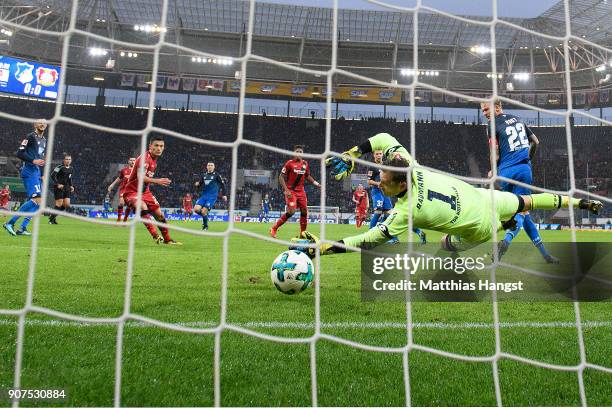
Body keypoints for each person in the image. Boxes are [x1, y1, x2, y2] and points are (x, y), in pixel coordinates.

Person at [296, 133, 602, 255]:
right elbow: (385, 139)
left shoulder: (405, 213)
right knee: (528, 201)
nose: (379, 182)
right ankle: (579, 201)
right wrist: (579, 201)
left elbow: (367, 240)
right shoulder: (411, 167)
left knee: (447, 245)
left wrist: (324, 247)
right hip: (487, 198)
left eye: (384, 181)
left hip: (479, 229)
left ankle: (503, 225)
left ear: (401, 186)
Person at [482, 100, 558, 263]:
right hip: (523, 171)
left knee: (523, 213)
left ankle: (545, 255)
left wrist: (493, 171)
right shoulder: (518, 119)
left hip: (504, 173)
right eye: (482, 111)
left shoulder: (492, 124)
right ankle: (506, 241)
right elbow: (536, 142)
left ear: (497, 107)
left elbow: (494, 153)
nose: (484, 113)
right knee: (522, 211)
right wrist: (528, 159)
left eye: (486, 109)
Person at [123, 137, 181, 245]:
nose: (159, 148)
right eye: (156, 145)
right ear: (150, 146)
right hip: (132, 192)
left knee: (160, 215)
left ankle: (167, 240)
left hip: (145, 192)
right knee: (142, 206)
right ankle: (155, 236)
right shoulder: (145, 158)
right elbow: (140, 177)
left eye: (161, 146)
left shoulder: (154, 161)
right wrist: (157, 181)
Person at [368, 150, 426, 244]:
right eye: (377, 154)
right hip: (377, 192)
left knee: (392, 216)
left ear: (382, 154)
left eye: (380, 153)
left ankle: (396, 238)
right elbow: (369, 181)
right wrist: (378, 183)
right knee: (378, 211)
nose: (379, 155)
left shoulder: (387, 165)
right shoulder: (372, 167)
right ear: (374, 155)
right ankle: (372, 236)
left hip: (386, 193)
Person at [4, 119, 47, 236]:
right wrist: (33, 160)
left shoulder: (44, 140)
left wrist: (42, 174)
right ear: (35, 125)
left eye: (44, 123)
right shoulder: (30, 136)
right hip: (29, 170)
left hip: (37, 171)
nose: (42, 124)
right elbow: (19, 153)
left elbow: (40, 159)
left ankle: (22, 228)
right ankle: (10, 223)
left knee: (40, 203)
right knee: (36, 199)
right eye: (40, 122)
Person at [269, 145, 321, 238]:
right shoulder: (289, 163)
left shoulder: (305, 164)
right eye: (297, 151)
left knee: (304, 211)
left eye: (300, 152)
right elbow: (281, 177)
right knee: (291, 212)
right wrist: (286, 190)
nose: (299, 153)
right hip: (291, 191)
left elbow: (307, 176)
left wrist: (316, 184)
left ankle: (302, 234)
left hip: (301, 192)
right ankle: (274, 228)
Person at [193, 162, 227, 231]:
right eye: (208, 165)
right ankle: (205, 216)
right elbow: (199, 185)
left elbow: (223, 185)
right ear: (206, 167)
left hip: (212, 197)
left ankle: (205, 226)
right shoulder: (203, 175)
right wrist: (197, 185)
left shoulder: (217, 175)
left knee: (203, 211)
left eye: (211, 165)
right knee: (196, 210)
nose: (210, 166)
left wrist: (224, 194)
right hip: (204, 196)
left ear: (214, 167)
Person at [107, 157, 135, 222]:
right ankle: (119, 219)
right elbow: (119, 178)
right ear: (128, 161)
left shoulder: (137, 171)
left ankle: (125, 218)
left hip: (132, 190)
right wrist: (112, 185)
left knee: (130, 205)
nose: (132, 161)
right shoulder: (124, 170)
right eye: (131, 160)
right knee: (121, 203)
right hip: (124, 189)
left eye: (134, 160)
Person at [48, 154, 74, 224]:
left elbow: (69, 178)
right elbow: (52, 175)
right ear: (64, 160)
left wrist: (71, 186)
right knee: (59, 204)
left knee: (67, 205)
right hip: (59, 187)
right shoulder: (59, 167)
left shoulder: (71, 168)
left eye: (69, 159)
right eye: (66, 159)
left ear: (71, 160)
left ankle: (52, 217)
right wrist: (58, 184)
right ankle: (51, 220)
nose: (68, 161)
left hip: (67, 187)